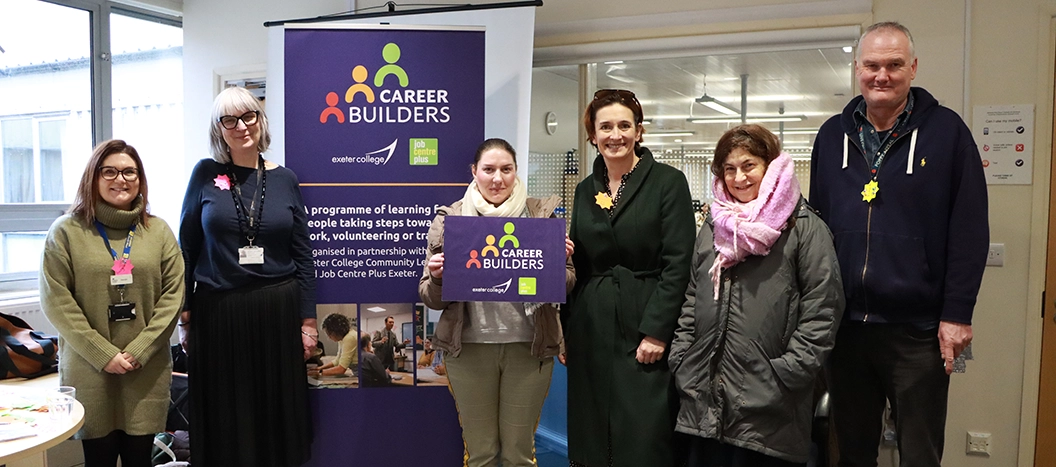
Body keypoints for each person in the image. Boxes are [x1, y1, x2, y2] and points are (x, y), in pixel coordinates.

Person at [808, 22, 989, 466]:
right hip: (845, 328)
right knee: (851, 451)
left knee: (920, 453)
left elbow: (969, 230)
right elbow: (815, 229)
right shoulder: (832, 137)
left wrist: (957, 313)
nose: (881, 75)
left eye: (893, 65)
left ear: (913, 68)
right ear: (857, 69)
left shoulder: (948, 134)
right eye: (871, 65)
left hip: (919, 332)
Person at [669, 125, 845, 466]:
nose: (739, 178)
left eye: (749, 165)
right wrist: (682, 358)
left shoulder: (803, 228)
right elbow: (693, 297)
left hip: (770, 407)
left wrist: (785, 374)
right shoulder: (714, 227)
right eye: (729, 169)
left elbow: (823, 311)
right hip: (703, 400)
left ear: (770, 166)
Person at [180, 86, 317, 466]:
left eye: (248, 116)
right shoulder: (205, 175)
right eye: (229, 120)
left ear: (261, 121)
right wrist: (184, 314)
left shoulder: (286, 178)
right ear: (218, 129)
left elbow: (302, 253)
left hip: (276, 311)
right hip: (218, 315)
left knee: (274, 414)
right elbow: (186, 247)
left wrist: (308, 321)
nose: (241, 126)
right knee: (225, 414)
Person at [419, 137, 575, 467]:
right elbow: (430, 298)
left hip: (528, 348)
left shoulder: (540, 217)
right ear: (474, 172)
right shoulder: (450, 220)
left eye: (506, 169)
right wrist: (437, 277)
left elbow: (567, 283)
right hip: (469, 350)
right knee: (480, 453)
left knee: (519, 453)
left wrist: (555, 262)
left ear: (516, 172)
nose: (497, 178)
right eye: (488, 170)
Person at [565, 89, 696, 467]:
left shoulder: (668, 182)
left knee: (644, 433)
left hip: (643, 321)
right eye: (605, 127)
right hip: (591, 325)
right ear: (593, 135)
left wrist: (657, 330)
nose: (615, 135)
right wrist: (567, 328)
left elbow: (679, 262)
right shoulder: (584, 190)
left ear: (639, 131)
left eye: (624, 125)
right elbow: (581, 265)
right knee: (592, 432)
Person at [39, 139, 184, 467]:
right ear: (93, 177)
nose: (121, 179)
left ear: (140, 180)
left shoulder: (158, 231)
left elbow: (174, 296)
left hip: (145, 371)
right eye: (110, 171)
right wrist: (103, 355)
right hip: (90, 371)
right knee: (98, 461)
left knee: (139, 461)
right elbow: (56, 300)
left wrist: (140, 350)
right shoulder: (66, 231)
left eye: (130, 172)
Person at [309, 313, 357, 378]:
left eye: (329, 334)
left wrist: (318, 373)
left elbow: (341, 369)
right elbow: (337, 361)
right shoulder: (343, 338)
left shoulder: (350, 337)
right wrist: (319, 368)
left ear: (335, 331)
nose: (329, 337)